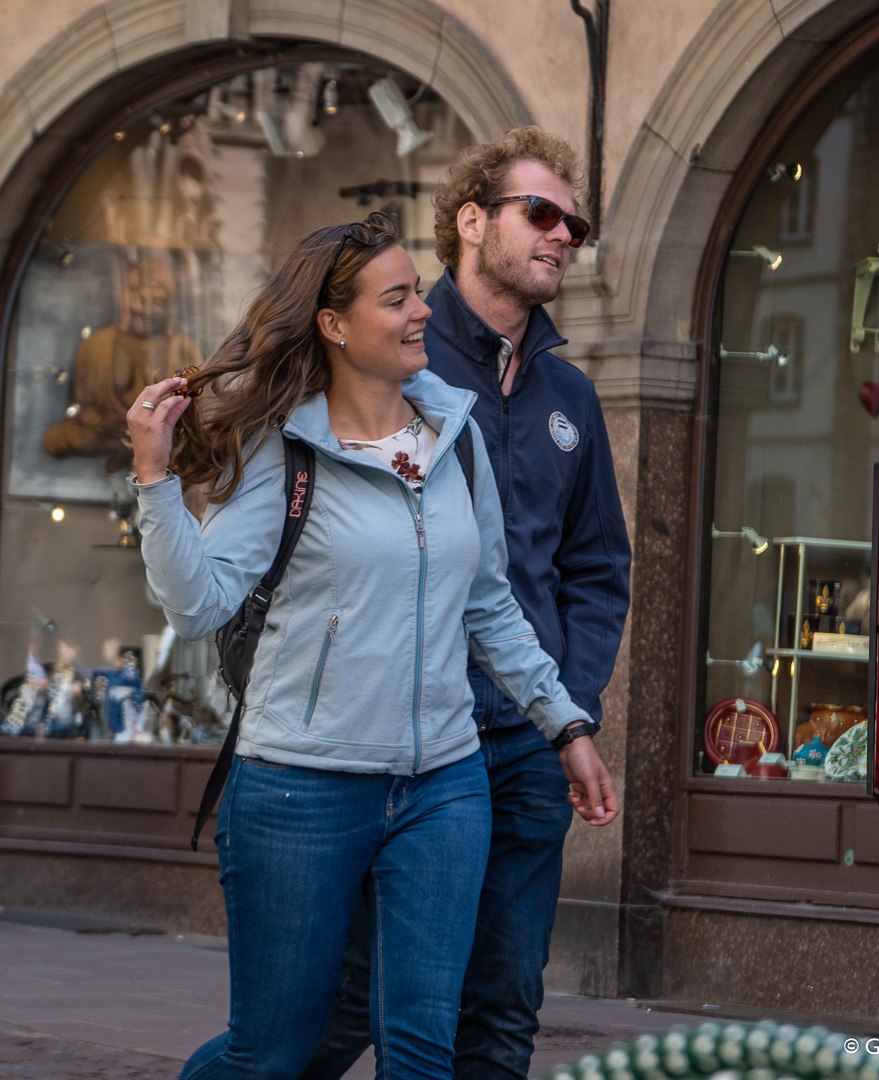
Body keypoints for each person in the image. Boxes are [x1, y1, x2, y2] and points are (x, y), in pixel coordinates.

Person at [124, 211, 618, 1080]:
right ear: (335, 325)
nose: (422, 311)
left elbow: (492, 606)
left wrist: (565, 726)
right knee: (271, 1053)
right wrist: (156, 480)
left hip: (444, 786)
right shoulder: (283, 453)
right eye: (397, 300)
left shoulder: (456, 439)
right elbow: (197, 605)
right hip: (299, 788)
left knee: (423, 1050)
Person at [304, 128, 632, 1079]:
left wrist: (566, 705)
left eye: (574, 222)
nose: (564, 233)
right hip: (401, 737)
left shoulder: (570, 393)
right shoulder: (393, 355)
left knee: (502, 1006)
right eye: (543, 213)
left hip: (527, 744)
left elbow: (597, 565)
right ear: (473, 220)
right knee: (351, 1002)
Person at [46, 250, 203, 472]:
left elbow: (199, 412)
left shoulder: (183, 348)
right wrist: (105, 424)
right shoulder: (97, 344)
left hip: (164, 434)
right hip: (105, 433)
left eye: (158, 300)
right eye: (140, 298)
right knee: (58, 439)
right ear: (126, 299)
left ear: (172, 305)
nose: (146, 309)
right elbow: (84, 409)